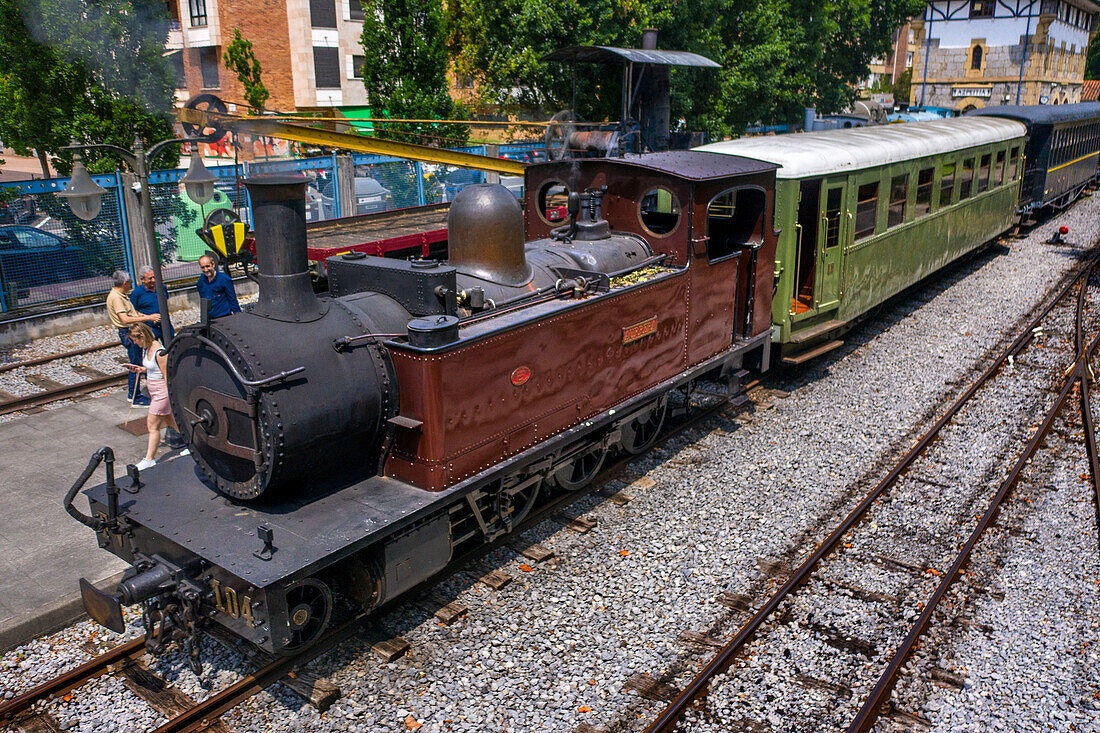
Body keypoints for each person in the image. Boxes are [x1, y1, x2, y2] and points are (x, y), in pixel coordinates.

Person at [126, 322, 188, 470]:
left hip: (161, 392)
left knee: (152, 425)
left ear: (142, 336)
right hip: (154, 391)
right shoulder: (147, 348)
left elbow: (167, 376)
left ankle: (149, 459)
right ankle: (193, 443)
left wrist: (172, 397)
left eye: (135, 340)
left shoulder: (159, 352)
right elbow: (152, 369)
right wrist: (140, 369)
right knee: (171, 421)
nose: (135, 343)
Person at [106, 270, 159, 406]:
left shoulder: (121, 295)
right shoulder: (117, 298)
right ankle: (134, 396)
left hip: (129, 331)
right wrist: (148, 317)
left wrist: (145, 316)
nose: (131, 284)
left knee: (137, 361)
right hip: (128, 333)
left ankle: (136, 393)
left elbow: (132, 312)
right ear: (125, 283)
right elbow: (125, 319)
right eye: (130, 282)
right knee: (135, 364)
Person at [129, 265, 166, 342]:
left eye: (154, 277)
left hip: (165, 325)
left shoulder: (162, 287)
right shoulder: (137, 293)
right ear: (142, 279)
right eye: (150, 278)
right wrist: (148, 317)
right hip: (149, 327)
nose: (153, 280)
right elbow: (133, 311)